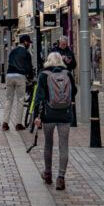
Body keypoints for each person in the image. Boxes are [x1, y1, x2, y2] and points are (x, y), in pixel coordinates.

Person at [34, 51, 76, 190]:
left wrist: (36, 116)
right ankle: (61, 178)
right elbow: (74, 91)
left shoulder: (43, 75)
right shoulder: (67, 74)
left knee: (48, 144)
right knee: (64, 145)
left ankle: (48, 173)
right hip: (65, 114)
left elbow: (39, 96)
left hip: (48, 114)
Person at [3, 34, 35, 131]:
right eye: (28, 42)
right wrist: (31, 78)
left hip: (9, 75)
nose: (29, 44)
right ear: (25, 42)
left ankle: (5, 123)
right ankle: (18, 124)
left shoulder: (12, 51)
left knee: (9, 99)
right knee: (20, 100)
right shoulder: (26, 53)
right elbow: (29, 68)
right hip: (20, 76)